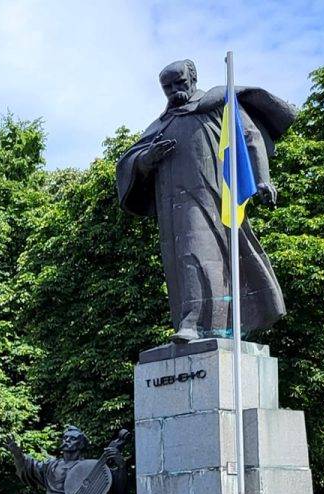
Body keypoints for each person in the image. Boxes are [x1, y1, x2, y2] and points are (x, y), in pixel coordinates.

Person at [116, 59, 295, 343]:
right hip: (173, 208)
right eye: (167, 87)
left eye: (180, 82)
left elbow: (250, 137)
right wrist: (147, 159)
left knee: (199, 256)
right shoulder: (161, 124)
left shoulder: (218, 104)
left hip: (213, 198)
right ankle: (194, 322)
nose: (175, 90)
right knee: (181, 263)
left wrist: (262, 179)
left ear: (194, 77)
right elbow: (129, 162)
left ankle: (198, 324)